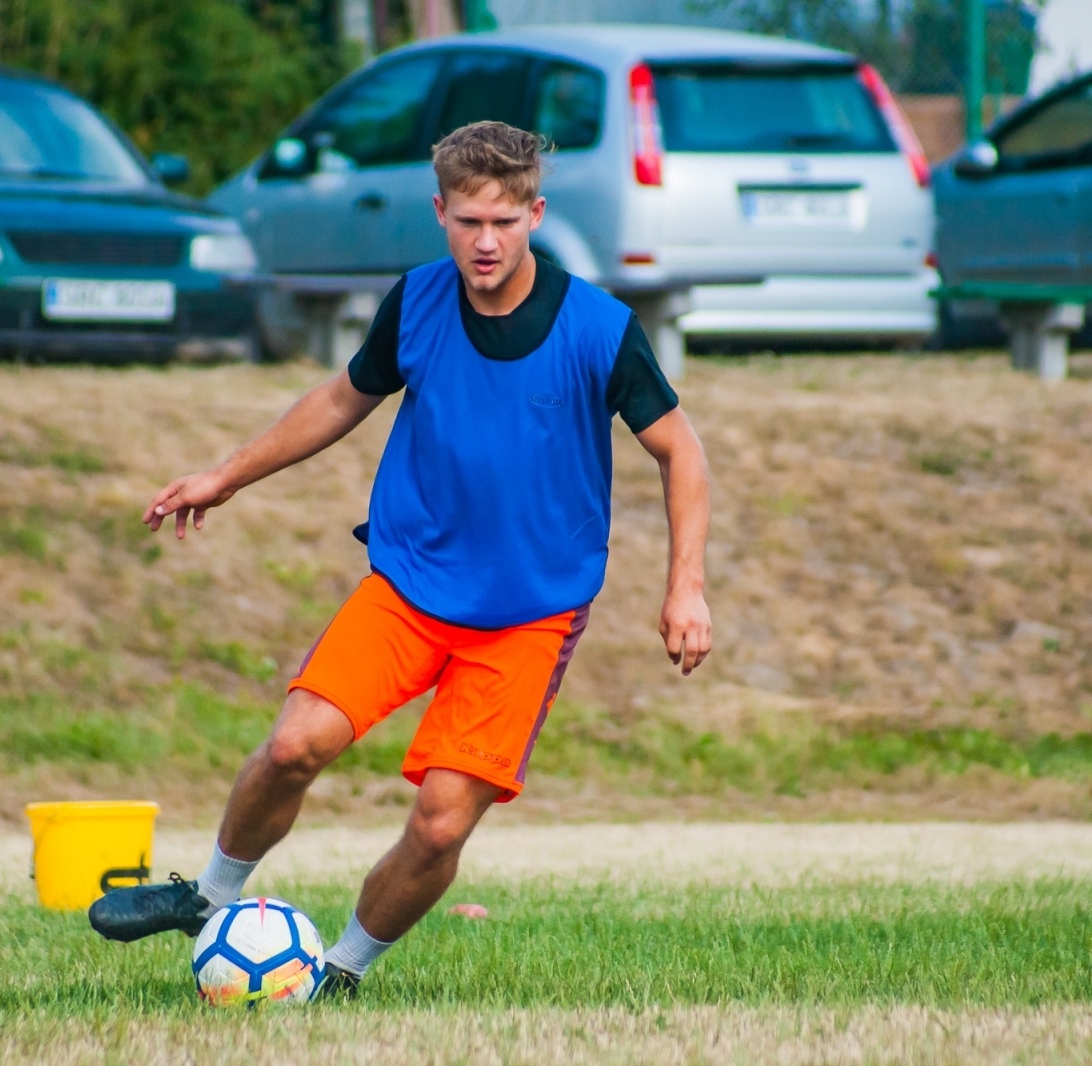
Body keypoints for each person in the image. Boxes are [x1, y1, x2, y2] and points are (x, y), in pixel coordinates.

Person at [88, 121, 712, 999]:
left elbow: (681, 451)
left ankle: (339, 972)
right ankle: (207, 895)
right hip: (411, 585)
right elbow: (343, 397)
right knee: (294, 744)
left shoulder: (598, 328)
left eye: (503, 220)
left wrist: (684, 587)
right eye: (466, 221)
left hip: (530, 616)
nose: (485, 241)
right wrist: (223, 477)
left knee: (439, 822)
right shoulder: (416, 301)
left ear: (535, 212)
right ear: (440, 213)